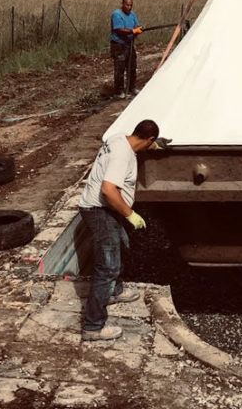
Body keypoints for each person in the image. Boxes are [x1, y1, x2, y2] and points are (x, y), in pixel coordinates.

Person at [79, 119, 159, 342]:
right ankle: (93, 326)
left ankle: (115, 290)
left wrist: (154, 146)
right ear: (149, 139)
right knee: (107, 266)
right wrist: (129, 214)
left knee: (122, 243)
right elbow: (108, 190)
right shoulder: (122, 156)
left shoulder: (120, 138)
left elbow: (139, 144)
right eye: (151, 143)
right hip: (99, 210)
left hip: (105, 209)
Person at [110, 0, 142, 99]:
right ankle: (118, 92)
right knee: (120, 69)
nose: (129, 7)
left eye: (131, 5)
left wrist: (137, 30)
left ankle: (132, 87)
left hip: (129, 44)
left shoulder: (132, 14)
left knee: (132, 66)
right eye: (127, 5)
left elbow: (136, 26)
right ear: (122, 4)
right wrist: (132, 31)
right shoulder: (117, 14)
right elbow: (119, 30)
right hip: (119, 45)